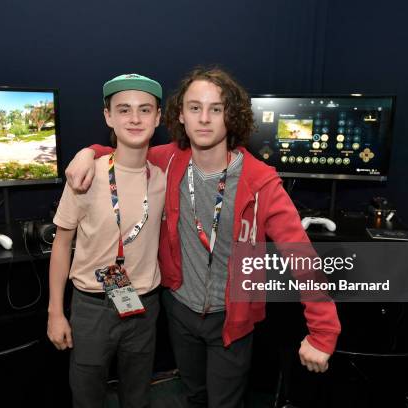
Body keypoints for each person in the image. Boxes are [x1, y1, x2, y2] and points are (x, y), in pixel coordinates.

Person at [66, 67, 341, 408]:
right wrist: (89, 152)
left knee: (225, 403)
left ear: (232, 115)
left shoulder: (260, 183)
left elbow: (302, 257)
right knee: (194, 395)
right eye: (195, 108)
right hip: (180, 312)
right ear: (180, 115)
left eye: (216, 108)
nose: (205, 119)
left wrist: (324, 333)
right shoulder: (168, 159)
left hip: (232, 317)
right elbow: (125, 149)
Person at [47, 74, 166, 408]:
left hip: (143, 304)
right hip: (92, 307)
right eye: (123, 109)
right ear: (108, 116)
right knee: (86, 395)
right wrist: (55, 312)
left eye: (145, 110)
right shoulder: (84, 175)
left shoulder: (161, 178)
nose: (134, 118)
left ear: (158, 118)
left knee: (138, 394)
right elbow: (61, 243)